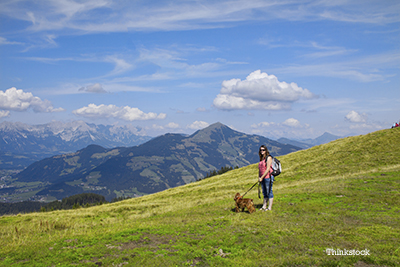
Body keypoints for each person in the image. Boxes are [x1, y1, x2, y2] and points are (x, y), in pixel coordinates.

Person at [258, 145, 274, 211]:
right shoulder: (262, 158)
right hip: (262, 178)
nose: (262, 151)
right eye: (261, 150)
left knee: (269, 192)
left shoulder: (269, 158)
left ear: (266, 150)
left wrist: (262, 177)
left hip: (268, 177)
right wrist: (259, 177)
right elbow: (260, 169)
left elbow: (267, 169)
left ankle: (269, 207)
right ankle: (264, 206)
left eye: (263, 150)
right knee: (264, 192)